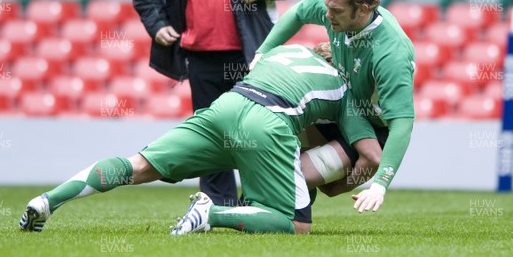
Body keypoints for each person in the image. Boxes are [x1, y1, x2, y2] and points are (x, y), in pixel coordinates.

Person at [19, 44, 348, 235]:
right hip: (267, 122)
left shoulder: (287, 49)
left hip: (225, 106)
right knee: (296, 225)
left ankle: (48, 200)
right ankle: (211, 213)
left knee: (137, 166)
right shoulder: (342, 82)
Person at [131, 0, 302, 207]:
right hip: (201, 54)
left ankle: (260, 200)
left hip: (250, 55)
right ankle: (216, 207)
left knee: (254, 132)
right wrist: (157, 22)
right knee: (212, 135)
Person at [254, 0, 416, 213]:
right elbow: (298, 13)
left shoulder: (390, 54)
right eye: (327, 6)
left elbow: (402, 123)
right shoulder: (336, 10)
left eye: (335, 10)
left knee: (306, 181)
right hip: (338, 110)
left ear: (362, 10)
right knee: (274, 154)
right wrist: (262, 52)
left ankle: (285, 206)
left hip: (372, 131)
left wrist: (380, 184)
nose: (327, 15)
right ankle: (272, 207)